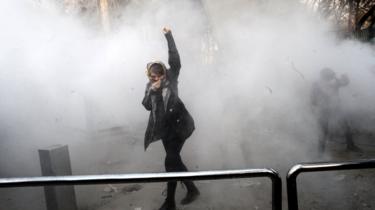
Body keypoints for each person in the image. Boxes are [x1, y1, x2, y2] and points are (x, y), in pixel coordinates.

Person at [142, 27, 200, 210]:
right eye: (152, 77)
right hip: (165, 130)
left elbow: (175, 61)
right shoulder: (150, 86)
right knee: (175, 161)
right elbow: (146, 105)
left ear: (164, 74)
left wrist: (169, 36)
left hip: (181, 127)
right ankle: (192, 189)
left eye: (158, 76)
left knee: (170, 160)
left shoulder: (171, 79)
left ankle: (170, 202)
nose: (155, 79)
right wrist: (152, 91)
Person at [311, 67, 362, 153]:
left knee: (345, 127)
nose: (332, 77)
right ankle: (320, 152)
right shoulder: (318, 84)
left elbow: (345, 83)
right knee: (323, 131)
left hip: (335, 108)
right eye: (331, 75)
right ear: (325, 76)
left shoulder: (333, 82)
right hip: (326, 110)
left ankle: (350, 146)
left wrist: (346, 78)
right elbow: (313, 100)